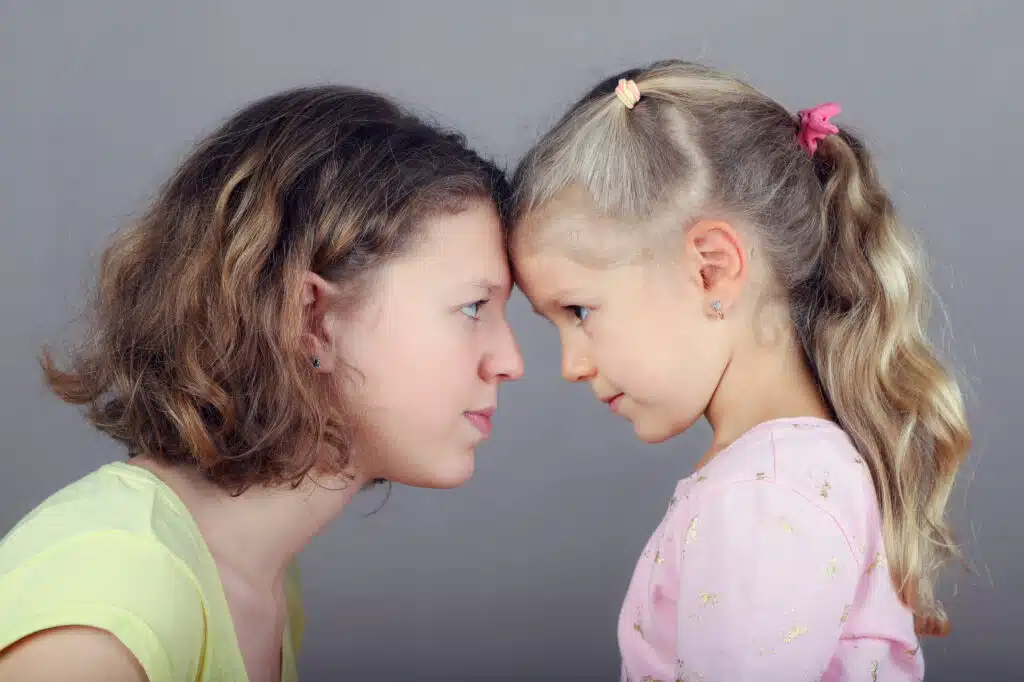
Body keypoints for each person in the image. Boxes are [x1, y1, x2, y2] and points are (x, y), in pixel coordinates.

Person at [0, 85, 523, 682]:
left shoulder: (261, 585)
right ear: (310, 320)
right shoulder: (112, 595)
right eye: (474, 307)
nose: (510, 360)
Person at [509, 60, 968, 681]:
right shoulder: (787, 475)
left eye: (580, 310)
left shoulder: (765, 498)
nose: (570, 365)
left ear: (712, 268)